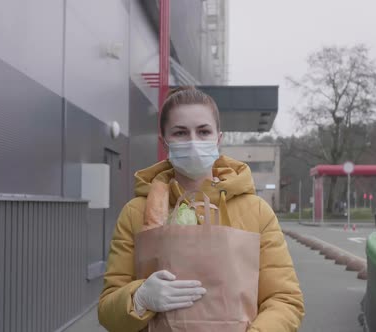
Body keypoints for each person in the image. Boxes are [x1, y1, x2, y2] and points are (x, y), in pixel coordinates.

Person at [98, 86, 304, 331]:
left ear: (218, 138)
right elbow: (108, 310)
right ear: (164, 142)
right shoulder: (136, 212)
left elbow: (285, 300)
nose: (193, 141)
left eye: (203, 131)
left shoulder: (256, 211)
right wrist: (138, 298)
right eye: (181, 132)